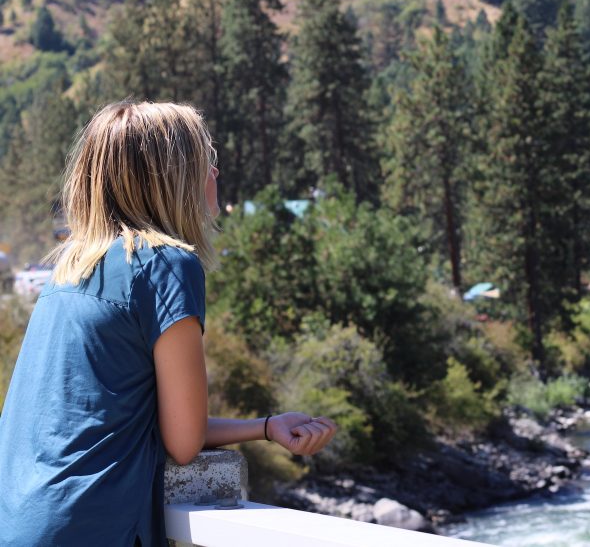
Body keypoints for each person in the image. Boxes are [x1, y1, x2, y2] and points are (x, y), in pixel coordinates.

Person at [0, 101, 338, 546]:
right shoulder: (167, 266)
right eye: (203, 159)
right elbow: (183, 442)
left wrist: (265, 426)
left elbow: (138, 422)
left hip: (23, 522)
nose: (215, 172)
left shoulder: (70, 270)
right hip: (92, 526)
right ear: (171, 178)